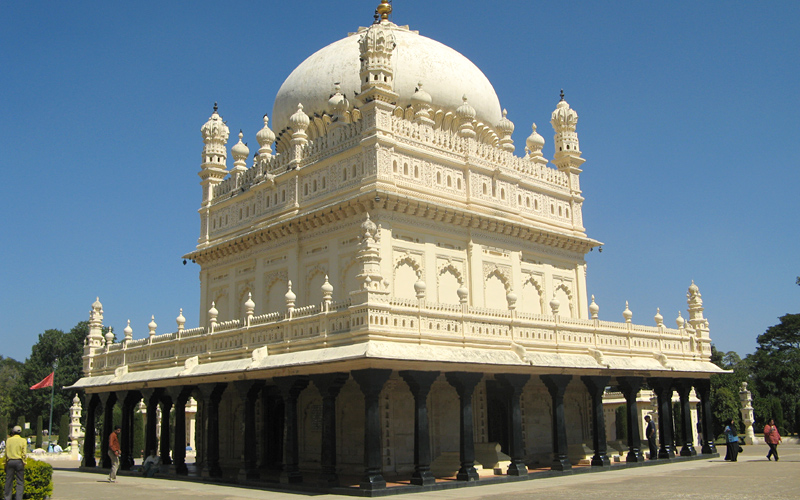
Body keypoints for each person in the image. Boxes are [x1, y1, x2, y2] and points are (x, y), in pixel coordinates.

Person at [4, 425, 27, 500]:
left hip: (10, 461)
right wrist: (24, 462)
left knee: (8, 481)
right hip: (19, 461)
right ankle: (19, 498)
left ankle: (7, 497)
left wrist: (4, 463)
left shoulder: (9, 440)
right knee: (20, 482)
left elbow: (6, 453)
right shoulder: (23, 440)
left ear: (13, 432)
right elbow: (24, 453)